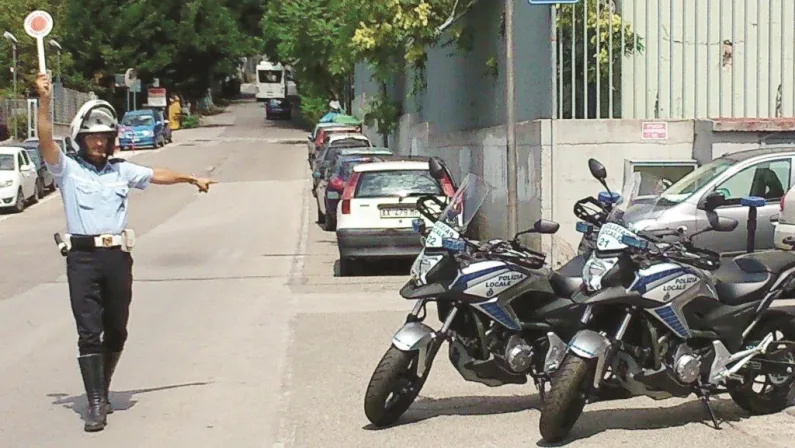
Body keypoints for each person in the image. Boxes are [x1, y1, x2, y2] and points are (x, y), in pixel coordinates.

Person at [33, 73, 216, 432]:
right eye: (93, 138)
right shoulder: (68, 170)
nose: (99, 143)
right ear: (81, 140)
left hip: (116, 257)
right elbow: (44, 144)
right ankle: (96, 403)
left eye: (104, 138)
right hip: (82, 257)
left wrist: (191, 178)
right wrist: (43, 102)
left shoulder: (120, 171)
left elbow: (155, 174)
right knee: (88, 330)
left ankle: (102, 385)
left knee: (116, 329)